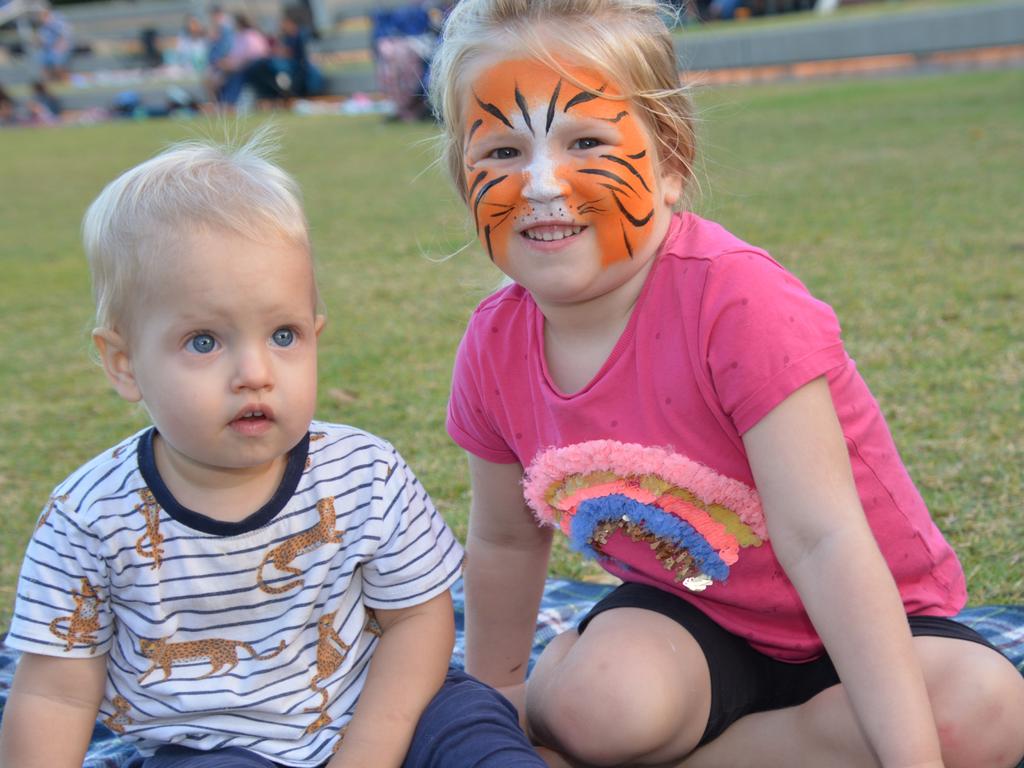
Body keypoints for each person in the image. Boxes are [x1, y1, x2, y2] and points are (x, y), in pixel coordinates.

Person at [429, 1, 1024, 766]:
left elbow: (823, 541)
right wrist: (497, 711)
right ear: (462, 177)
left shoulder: (739, 303)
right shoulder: (493, 346)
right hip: (690, 622)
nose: (543, 185)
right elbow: (506, 539)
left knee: (985, 715)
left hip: (870, 622)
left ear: (670, 162)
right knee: (595, 705)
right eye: (503, 151)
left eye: (585, 140)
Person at [0, 133, 546, 768]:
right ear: (124, 365)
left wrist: (368, 752)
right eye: (204, 342)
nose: (254, 372)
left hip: (387, 705)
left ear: (315, 335)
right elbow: (54, 696)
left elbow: (418, 623)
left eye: (283, 334)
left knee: (473, 730)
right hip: (213, 744)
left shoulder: (364, 474)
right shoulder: (88, 521)